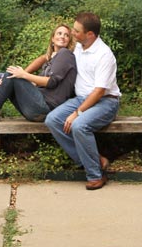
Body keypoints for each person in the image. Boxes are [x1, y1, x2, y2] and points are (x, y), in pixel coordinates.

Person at [45, 12, 120, 190]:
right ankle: (95, 160)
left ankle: (95, 175)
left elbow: (99, 91)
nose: (72, 33)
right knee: (52, 120)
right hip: (80, 98)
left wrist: (77, 113)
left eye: (77, 31)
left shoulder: (104, 55)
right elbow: (52, 58)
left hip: (105, 101)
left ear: (90, 35)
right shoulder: (79, 46)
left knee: (79, 125)